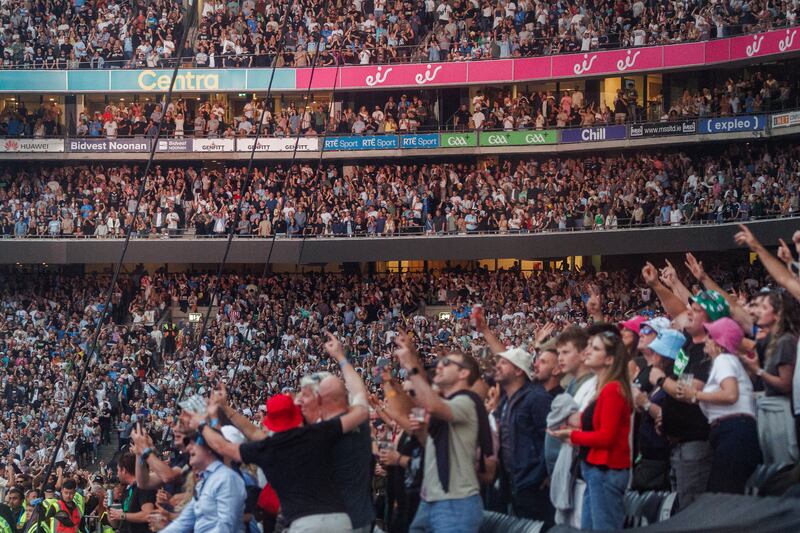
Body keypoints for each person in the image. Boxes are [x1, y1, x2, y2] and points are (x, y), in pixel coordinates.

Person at [196, 332, 370, 532]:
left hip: (323, 519)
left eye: (304, 396)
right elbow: (359, 394)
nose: (300, 401)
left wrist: (209, 419)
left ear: (320, 398)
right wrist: (341, 358)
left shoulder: (314, 433)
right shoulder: (353, 420)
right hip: (353, 519)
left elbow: (248, 439)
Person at [645, 263, 728, 509]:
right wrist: (657, 286)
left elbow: (689, 393)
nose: (689, 313)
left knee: (693, 513)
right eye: (690, 308)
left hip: (696, 445)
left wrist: (660, 380)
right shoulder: (689, 344)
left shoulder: (708, 351)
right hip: (676, 443)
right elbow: (678, 311)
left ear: (711, 319)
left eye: (696, 310)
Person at [394, 333, 491, 533]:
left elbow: (430, 403)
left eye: (446, 363)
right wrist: (422, 433)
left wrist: (411, 364)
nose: (439, 366)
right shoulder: (446, 406)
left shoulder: (468, 401)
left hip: (456, 503)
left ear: (463, 373)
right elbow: (424, 399)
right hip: (430, 498)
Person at [550, 330, 632, 531]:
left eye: (595, 348)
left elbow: (606, 436)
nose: (588, 352)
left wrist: (572, 436)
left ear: (609, 359)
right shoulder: (603, 388)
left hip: (606, 469)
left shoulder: (613, 389)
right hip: (596, 470)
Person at [676, 317, 762, 494]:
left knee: (722, 494)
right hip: (734, 432)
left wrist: (695, 395)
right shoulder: (725, 361)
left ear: (719, 342)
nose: (706, 340)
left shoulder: (724, 360)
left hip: (734, 431)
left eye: (710, 336)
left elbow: (731, 394)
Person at [491, 347, 553, 525]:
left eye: (504, 363)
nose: (497, 366)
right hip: (513, 483)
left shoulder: (537, 398)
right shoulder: (505, 402)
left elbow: (551, 438)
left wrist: (544, 474)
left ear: (519, 370)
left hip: (533, 485)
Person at [741, 290, 799, 465]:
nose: (758, 311)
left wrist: (758, 370)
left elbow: (785, 385)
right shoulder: (772, 341)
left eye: (764, 307)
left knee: (783, 466)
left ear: (776, 315)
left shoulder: (785, 341)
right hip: (771, 409)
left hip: (781, 413)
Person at [157, 436, 246, 533]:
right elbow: (184, 522)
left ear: (210, 449)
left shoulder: (227, 478)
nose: (188, 448)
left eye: (194, 444)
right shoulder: (203, 482)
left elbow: (226, 527)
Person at [108, 453, 156, 533]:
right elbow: (115, 525)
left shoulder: (142, 487)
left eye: (118, 470)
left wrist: (123, 515)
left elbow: (148, 515)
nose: (117, 474)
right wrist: (109, 507)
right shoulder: (127, 491)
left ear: (124, 470)